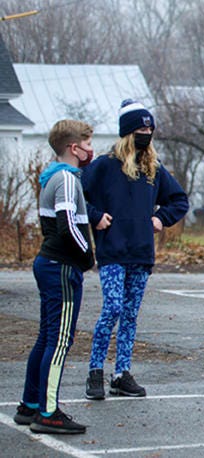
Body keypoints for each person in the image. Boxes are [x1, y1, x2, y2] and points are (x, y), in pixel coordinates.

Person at [83, 99, 189, 400]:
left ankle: (122, 373)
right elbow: (80, 196)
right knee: (112, 308)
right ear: (128, 132)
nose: (147, 132)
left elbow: (179, 200)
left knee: (130, 314)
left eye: (150, 128)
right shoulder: (103, 166)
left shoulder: (153, 168)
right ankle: (95, 371)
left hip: (141, 252)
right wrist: (96, 217)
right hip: (113, 250)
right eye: (142, 128)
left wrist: (160, 218)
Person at [16, 120, 97, 434]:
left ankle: (30, 404)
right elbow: (67, 224)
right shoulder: (65, 178)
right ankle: (48, 412)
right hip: (61, 267)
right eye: (88, 143)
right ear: (74, 148)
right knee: (59, 341)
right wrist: (87, 257)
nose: (92, 150)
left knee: (46, 337)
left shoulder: (53, 176)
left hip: (51, 264)